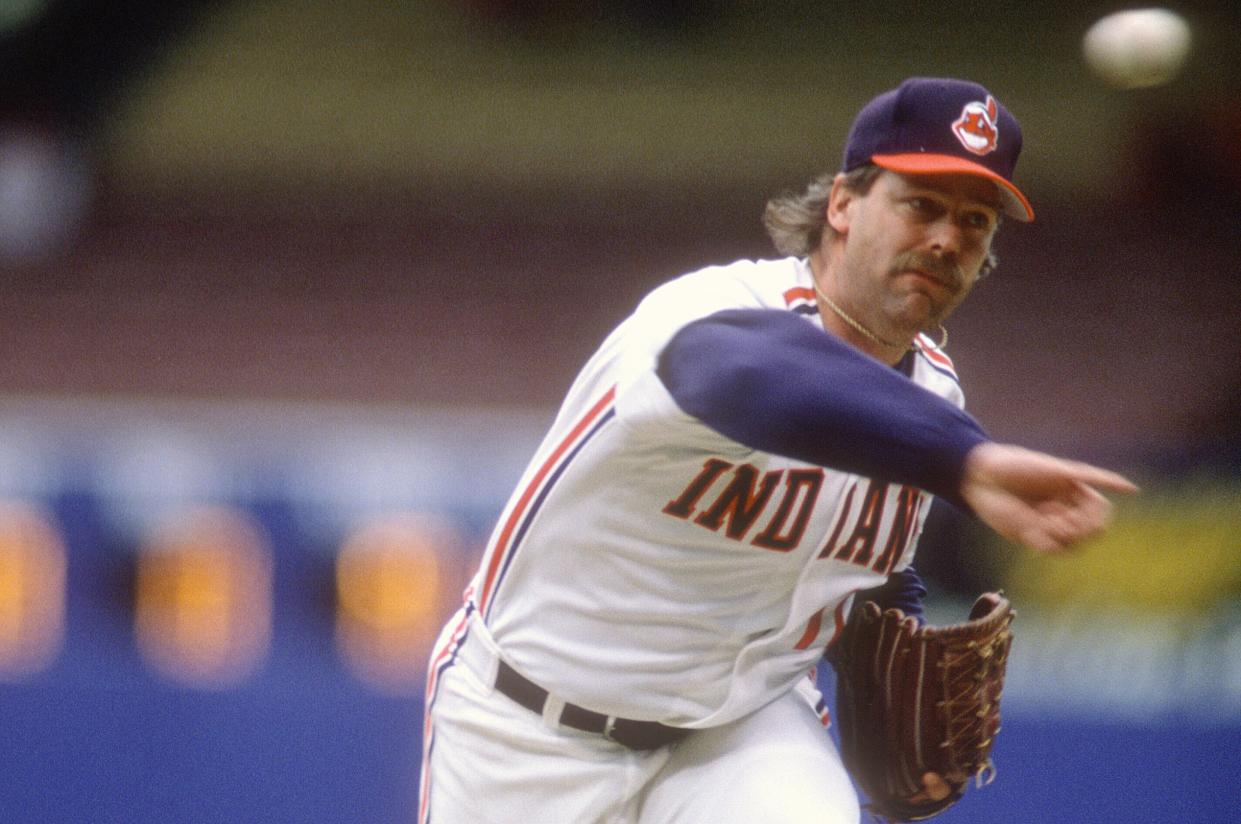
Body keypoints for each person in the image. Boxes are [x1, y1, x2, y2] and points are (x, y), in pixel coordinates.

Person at [418, 77, 1137, 824]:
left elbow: (865, 568)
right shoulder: (716, 312)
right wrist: (964, 460)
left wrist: (898, 638)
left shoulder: (933, 400)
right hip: (528, 725)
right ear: (842, 205)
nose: (945, 239)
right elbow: (740, 374)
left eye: (974, 221)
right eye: (920, 204)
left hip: (735, 734)